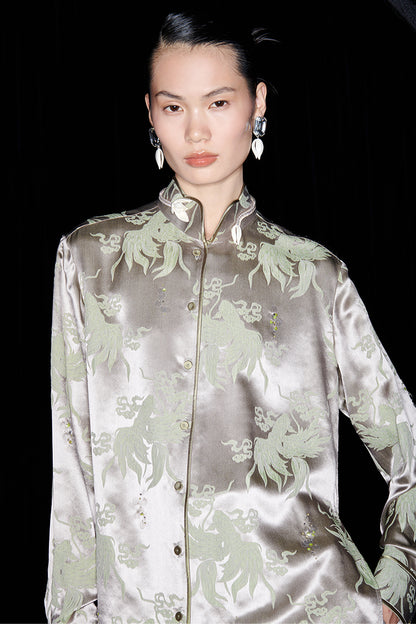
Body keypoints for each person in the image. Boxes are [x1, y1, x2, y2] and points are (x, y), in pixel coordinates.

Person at [45, 10, 415, 624]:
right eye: (173, 107)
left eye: (218, 102)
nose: (196, 130)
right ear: (149, 113)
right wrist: (73, 616)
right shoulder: (89, 259)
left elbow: (406, 445)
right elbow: (72, 462)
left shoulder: (315, 277)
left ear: (257, 103)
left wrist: (395, 589)